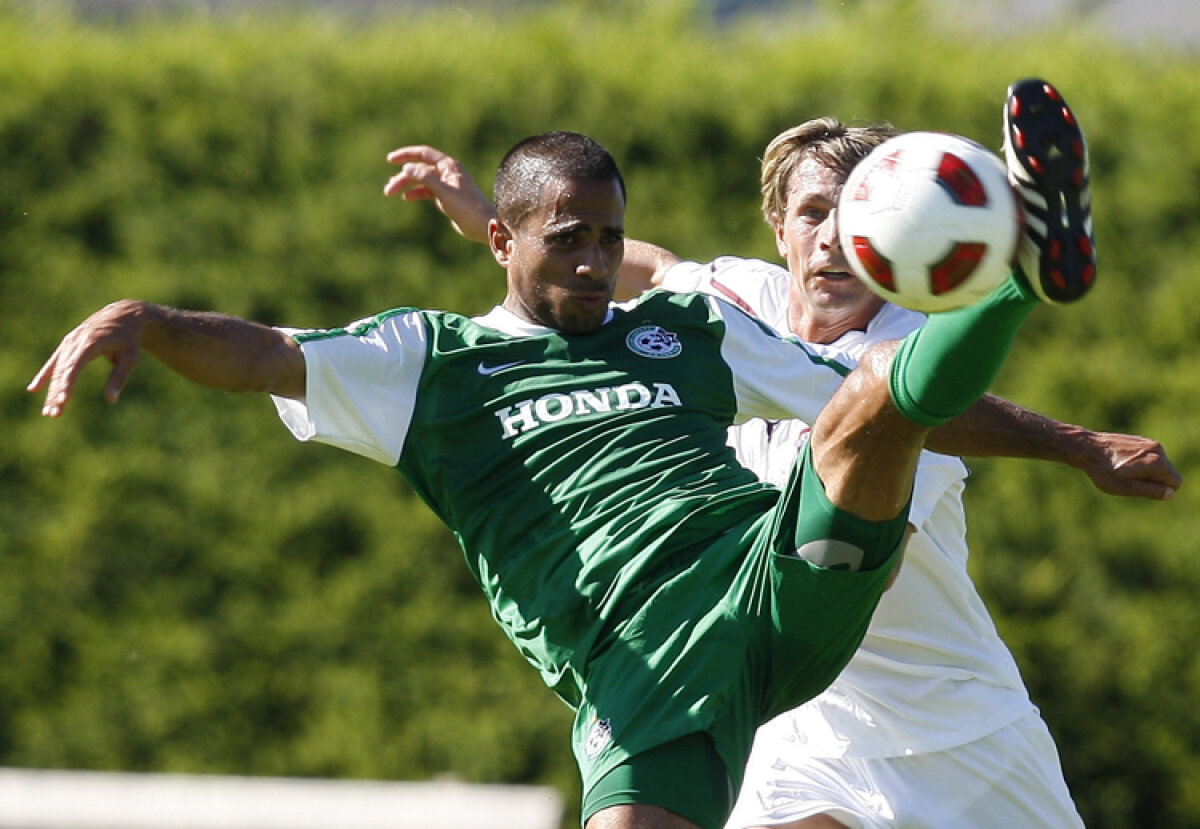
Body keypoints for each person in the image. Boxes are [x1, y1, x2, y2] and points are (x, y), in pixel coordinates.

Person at [28, 114, 1118, 828]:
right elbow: (269, 351)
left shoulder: (688, 328)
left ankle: (1021, 274)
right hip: (646, 671)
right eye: (568, 242)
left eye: (609, 239)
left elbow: (861, 378)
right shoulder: (433, 361)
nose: (597, 262)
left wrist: (1076, 444)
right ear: (503, 241)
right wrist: (149, 319)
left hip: (780, 593)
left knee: (869, 395)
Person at [379, 81, 1181, 829]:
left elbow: (862, 564)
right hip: (792, 716)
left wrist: (1077, 449)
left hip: (956, 726)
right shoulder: (735, 297)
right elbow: (646, 265)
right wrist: (494, 217)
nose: (833, 237)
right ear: (778, 226)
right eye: (812, 213)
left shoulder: (908, 351)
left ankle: (1026, 254)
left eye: (857, 215)